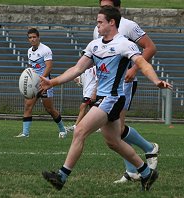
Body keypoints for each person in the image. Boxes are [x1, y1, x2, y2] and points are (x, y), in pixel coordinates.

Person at [41, 6, 172, 191]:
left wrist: (156, 80)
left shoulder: (124, 44)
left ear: (112, 22)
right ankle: (146, 173)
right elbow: (77, 69)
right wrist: (52, 82)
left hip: (113, 98)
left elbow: (142, 63)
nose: (97, 25)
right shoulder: (94, 45)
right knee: (113, 142)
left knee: (80, 131)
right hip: (102, 99)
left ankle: (61, 177)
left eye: (100, 22)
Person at [94, 0, 159, 183]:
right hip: (106, 88)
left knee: (117, 130)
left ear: (118, 8)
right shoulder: (99, 28)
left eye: (109, 6)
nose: (106, 9)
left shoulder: (129, 26)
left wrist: (134, 69)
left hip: (125, 83)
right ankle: (136, 166)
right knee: (115, 132)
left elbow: (150, 47)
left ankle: (145, 153)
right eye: (102, 6)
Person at [15, 28, 66, 138]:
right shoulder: (29, 51)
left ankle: (62, 129)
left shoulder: (45, 50)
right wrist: (29, 79)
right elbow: (31, 68)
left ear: (38, 37)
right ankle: (25, 133)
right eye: (30, 38)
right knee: (28, 106)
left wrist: (42, 80)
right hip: (33, 84)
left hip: (44, 84)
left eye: (34, 37)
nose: (32, 39)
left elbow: (49, 66)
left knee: (50, 109)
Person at [66, 66, 98, 132]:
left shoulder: (95, 68)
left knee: (82, 107)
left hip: (90, 92)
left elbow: (98, 81)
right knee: (93, 111)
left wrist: (94, 93)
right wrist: (76, 79)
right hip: (87, 93)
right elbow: (81, 80)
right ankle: (96, 126)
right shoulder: (86, 70)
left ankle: (76, 126)